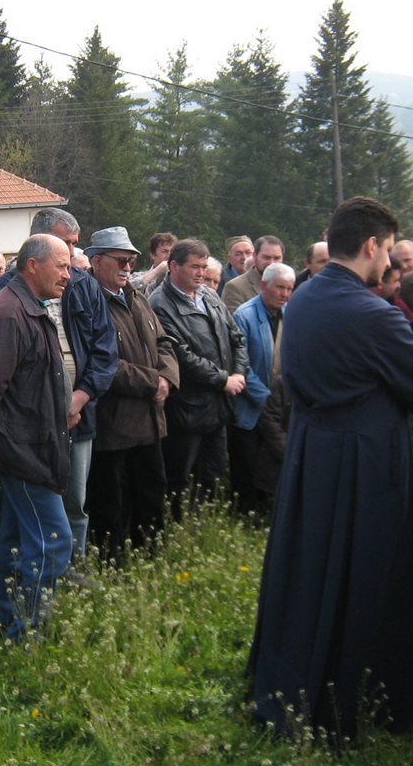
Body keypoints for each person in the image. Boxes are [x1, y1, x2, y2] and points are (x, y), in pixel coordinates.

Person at [248, 198, 413, 741]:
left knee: (308, 568)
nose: (390, 264)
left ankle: (293, 676)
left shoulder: (304, 297)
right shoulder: (375, 314)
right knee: (360, 572)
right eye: (389, 250)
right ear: (372, 245)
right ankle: (349, 692)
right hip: (363, 462)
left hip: (312, 452)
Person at [0, 208, 116, 570]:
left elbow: (106, 348)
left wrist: (82, 396)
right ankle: (16, 575)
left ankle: (71, 570)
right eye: (65, 243)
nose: (72, 254)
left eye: (74, 244)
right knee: (21, 503)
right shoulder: (6, 290)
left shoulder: (84, 284)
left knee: (74, 499)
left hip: (79, 413)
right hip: (28, 420)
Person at [0, 234, 74, 639]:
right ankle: (26, 631)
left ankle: (7, 614)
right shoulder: (9, 314)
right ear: (32, 265)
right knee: (53, 541)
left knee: (14, 535)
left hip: (31, 442)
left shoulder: (29, 306)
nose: (68, 274)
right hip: (22, 449)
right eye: (61, 266)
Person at [85, 227, 179, 563]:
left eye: (132, 261)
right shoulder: (89, 303)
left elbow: (164, 342)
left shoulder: (137, 298)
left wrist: (167, 378)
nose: (128, 267)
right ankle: (111, 563)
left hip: (150, 420)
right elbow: (101, 362)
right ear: (97, 262)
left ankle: (150, 557)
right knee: (111, 499)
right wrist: (153, 383)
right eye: (121, 260)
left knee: (151, 491)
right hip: (114, 423)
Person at [150, 239, 249, 517]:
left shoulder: (209, 296)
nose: (201, 274)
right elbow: (180, 355)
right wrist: (223, 379)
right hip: (187, 409)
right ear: (173, 266)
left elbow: (237, 338)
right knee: (180, 477)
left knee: (213, 474)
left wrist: (239, 372)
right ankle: (178, 528)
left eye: (204, 267)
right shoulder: (160, 304)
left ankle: (207, 526)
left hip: (218, 405)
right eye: (195, 267)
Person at [229, 262, 294, 513]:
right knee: (247, 465)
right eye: (280, 288)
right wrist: (267, 398)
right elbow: (241, 364)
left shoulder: (290, 314)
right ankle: (244, 514)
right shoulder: (244, 315)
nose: (285, 294)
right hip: (250, 405)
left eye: (289, 289)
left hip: (279, 407)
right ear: (264, 285)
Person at [221, 235, 284, 313]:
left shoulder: (289, 286)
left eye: (277, 258)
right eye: (266, 257)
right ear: (255, 256)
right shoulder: (235, 287)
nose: (272, 263)